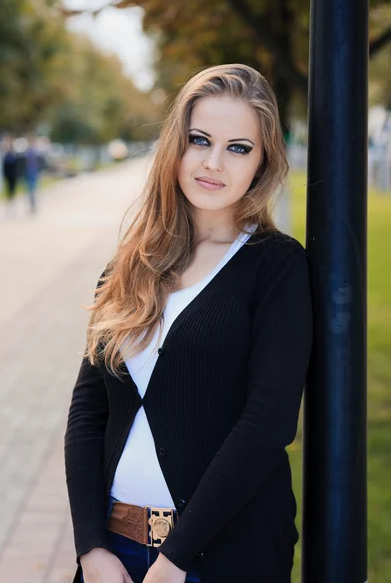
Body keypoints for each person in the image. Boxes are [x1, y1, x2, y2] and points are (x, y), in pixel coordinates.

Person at [64, 63, 313, 583]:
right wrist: (90, 546)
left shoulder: (276, 265)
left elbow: (267, 422)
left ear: (263, 161)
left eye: (238, 147)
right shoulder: (130, 263)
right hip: (114, 552)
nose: (214, 163)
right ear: (176, 145)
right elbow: (89, 410)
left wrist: (175, 559)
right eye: (200, 140)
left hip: (221, 555)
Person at [1, 135, 19, 216]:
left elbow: (17, 167)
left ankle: (12, 204)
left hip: (13, 176)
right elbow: (4, 168)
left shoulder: (14, 155)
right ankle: (9, 204)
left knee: (13, 191)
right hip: (8, 176)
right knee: (8, 191)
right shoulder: (5, 156)